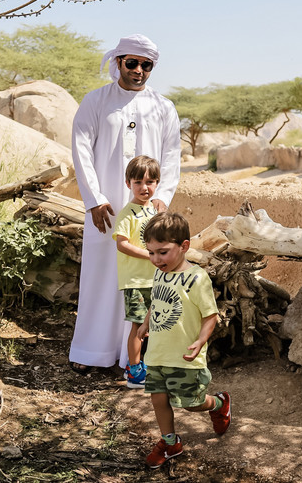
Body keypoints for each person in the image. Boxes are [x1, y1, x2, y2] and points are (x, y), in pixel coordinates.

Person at [69, 34, 181, 374]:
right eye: (131, 63)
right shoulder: (96, 101)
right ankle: (91, 352)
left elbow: (172, 156)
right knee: (100, 275)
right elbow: (81, 149)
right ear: (118, 62)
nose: (139, 70)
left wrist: (162, 196)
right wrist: (94, 198)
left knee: (141, 279)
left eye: (146, 65)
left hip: (146, 210)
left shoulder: (164, 107)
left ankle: (133, 358)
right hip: (106, 209)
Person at [137, 212, 231, 469]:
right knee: (158, 398)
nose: (156, 259)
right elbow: (156, 302)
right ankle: (170, 442)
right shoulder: (160, 274)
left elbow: (210, 315)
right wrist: (146, 322)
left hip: (184, 356)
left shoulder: (197, 278)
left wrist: (201, 341)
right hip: (157, 353)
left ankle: (219, 403)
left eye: (163, 252)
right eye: (151, 252)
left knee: (191, 404)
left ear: (184, 247)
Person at [112, 155, 161, 388]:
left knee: (155, 325)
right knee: (138, 326)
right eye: (138, 182)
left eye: (150, 182)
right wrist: (150, 255)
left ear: (157, 183)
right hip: (136, 281)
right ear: (128, 184)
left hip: (156, 280)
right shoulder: (127, 213)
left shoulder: (155, 212)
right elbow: (121, 243)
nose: (144, 187)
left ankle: (147, 366)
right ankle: (133, 372)